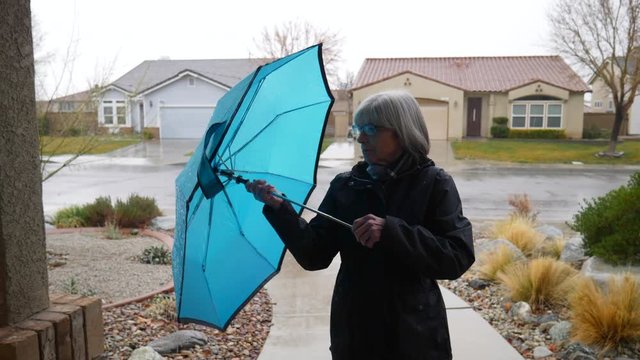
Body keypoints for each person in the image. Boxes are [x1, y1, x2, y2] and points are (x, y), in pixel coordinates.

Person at [246, 90, 474, 360]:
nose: (361, 137)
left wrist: (391, 231)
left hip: (415, 334)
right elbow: (314, 255)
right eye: (358, 128)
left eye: (371, 129)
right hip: (355, 331)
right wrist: (281, 209)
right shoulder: (347, 186)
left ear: (402, 131)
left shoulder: (434, 183)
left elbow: (456, 256)